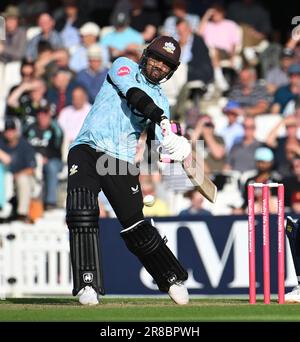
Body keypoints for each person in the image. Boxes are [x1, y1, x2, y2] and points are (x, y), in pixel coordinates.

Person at [66, 36, 191, 305]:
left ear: (172, 70)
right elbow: (136, 96)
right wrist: (161, 118)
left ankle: (170, 276)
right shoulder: (123, 66)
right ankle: (87, 284)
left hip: (119, 160)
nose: (159, 65)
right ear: (146, 55)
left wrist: (175, 143)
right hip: (87, 147)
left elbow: (159, 142)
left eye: (166, 63)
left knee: (135, 225)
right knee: (81, 210)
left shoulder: (163, 103)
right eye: (156, 58)